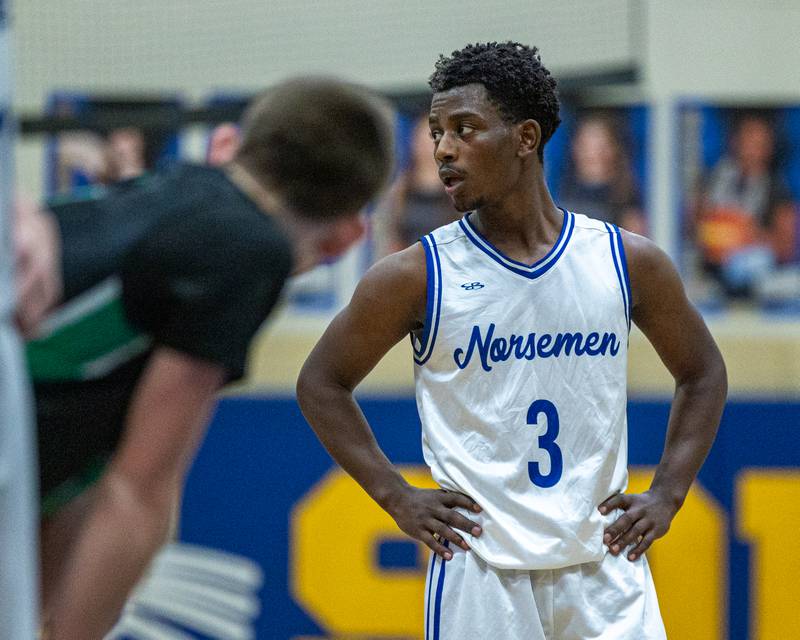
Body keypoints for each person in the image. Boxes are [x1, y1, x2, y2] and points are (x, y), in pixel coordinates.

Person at [297, 42, 727, 639]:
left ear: (526, 138)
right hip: (481, 571)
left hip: (605, 564)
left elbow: (703, 373)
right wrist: (397, 497)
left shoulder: (625, 260)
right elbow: (321, 382)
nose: (443, 149)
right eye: (436, 132)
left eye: (465, 129)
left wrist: (669, 494)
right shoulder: (416, 275)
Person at [18, 76, 394, 640]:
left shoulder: (174, 194)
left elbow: (79, 479)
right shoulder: (243, 249)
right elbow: (138, 490)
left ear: (227, 146)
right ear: (346, 237)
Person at [694, 112, 797, 297]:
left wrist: (751, 234)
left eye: (759, 144)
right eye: (749, 141)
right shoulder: (715, 178)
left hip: (755, 269)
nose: (752, 150)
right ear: (735, 142)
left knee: (758, 262)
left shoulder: (777, 187)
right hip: (712, 265)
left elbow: (785, 247)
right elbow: (695, 226)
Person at [374, 111, 459, 257]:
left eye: (433, 138)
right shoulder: (399, 189)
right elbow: (387, 234)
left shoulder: (460, 188)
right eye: (421, 138)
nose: (427, 146)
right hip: (406, 264)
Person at [558, 112, 647, 235]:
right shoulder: (558, 196)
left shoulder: (630, 203)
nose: (595, 155)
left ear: (616, 149)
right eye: (587, 146)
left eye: (603, 146)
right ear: (575, 149)